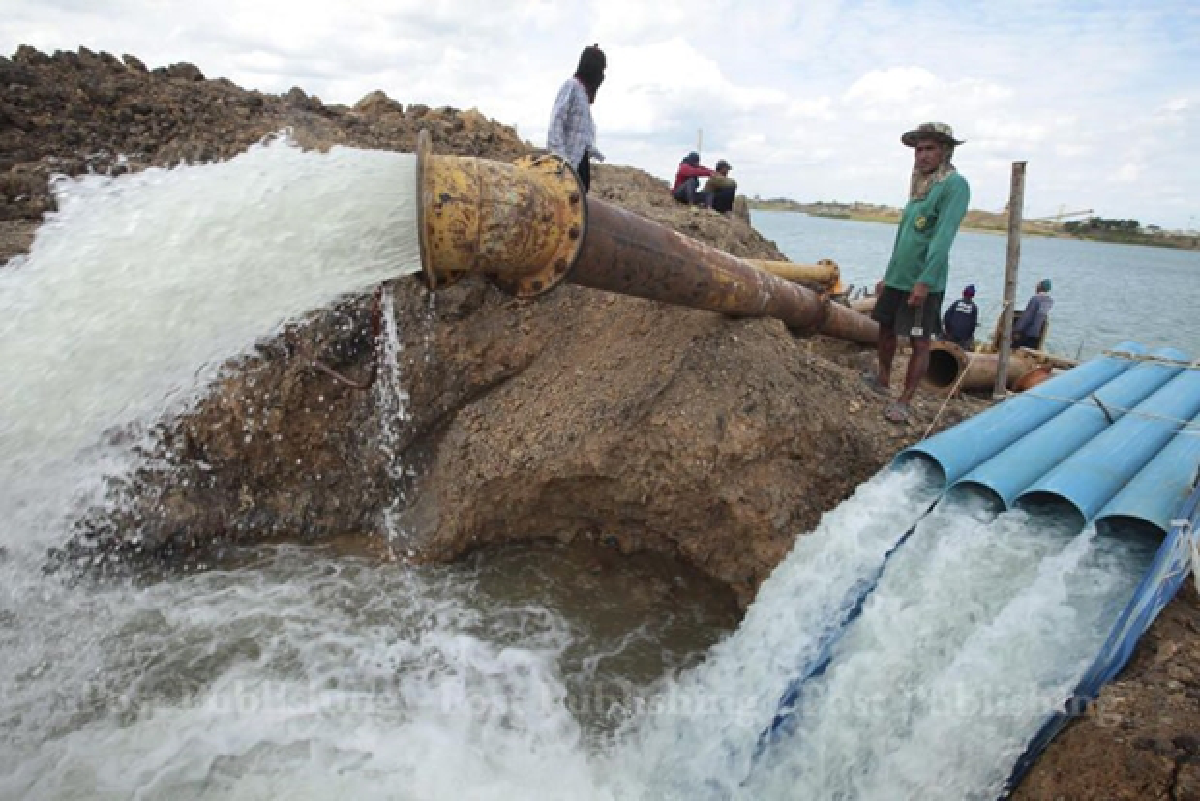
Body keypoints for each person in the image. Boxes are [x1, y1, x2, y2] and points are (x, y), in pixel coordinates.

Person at [866, 122, 971, 423]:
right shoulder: (920, 186)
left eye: (930, 149)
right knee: (885, 329)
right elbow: (904, 238)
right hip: (899, 277)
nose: (922, 155)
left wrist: (924, 281)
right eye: (918, 149)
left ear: (945, 151)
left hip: (924, 282)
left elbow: (942, 238)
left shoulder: (954, 186)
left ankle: (905, 400)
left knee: (919, 341)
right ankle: (883, 380)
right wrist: (888, 275)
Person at [547, 44, 606, 193]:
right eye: (601, 70)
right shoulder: (571, 86)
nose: (602, 76)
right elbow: (557, 121)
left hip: (580, 161)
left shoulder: (584, 95)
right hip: (567, 163)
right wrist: (560, 159)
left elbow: (584, 132)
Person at [1012, 279, 1054, 349]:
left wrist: (1017, 329)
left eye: (1038, 285)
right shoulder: (1049, 301)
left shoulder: (1035, 299)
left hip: (1027, 333)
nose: (1036, 286)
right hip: (1036, 334)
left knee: (1013, 347)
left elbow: (1027, 317)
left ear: (1040, 287)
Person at [942, 284, 979, 349]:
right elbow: (972, 325)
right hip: (964, 337)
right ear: (973, 296)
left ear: (963, 293)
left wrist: (948, 330)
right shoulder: (974, 307)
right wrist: (969, 336)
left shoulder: (956, 303)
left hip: (951, 334)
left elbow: (947, 316)